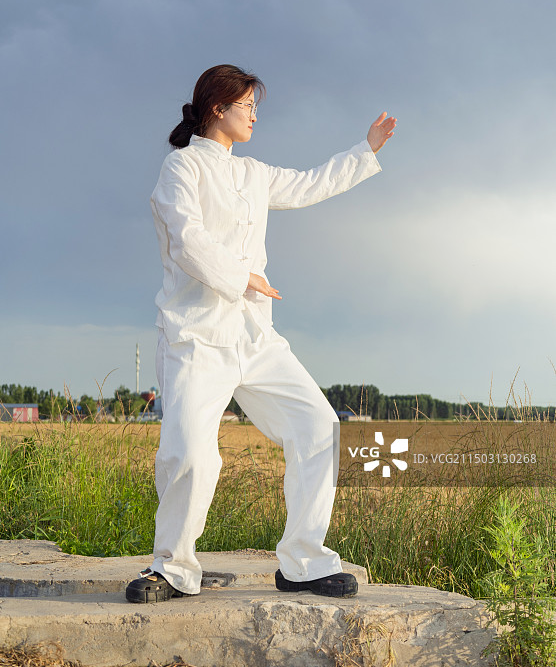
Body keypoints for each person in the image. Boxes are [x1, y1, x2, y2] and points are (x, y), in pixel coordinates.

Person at [126, 64, 396, 603]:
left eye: (255, 106)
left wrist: (365, 151)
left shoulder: (253, 174)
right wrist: (242, 276)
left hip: (254, 336)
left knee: (319, 427)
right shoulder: (181, 168)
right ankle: (172, 568)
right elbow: (186, 240)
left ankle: (304, 562)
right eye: (247, 105)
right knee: (191, 453)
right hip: (197, 336)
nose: (254, 115)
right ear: (218, 107)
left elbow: (311, 184)